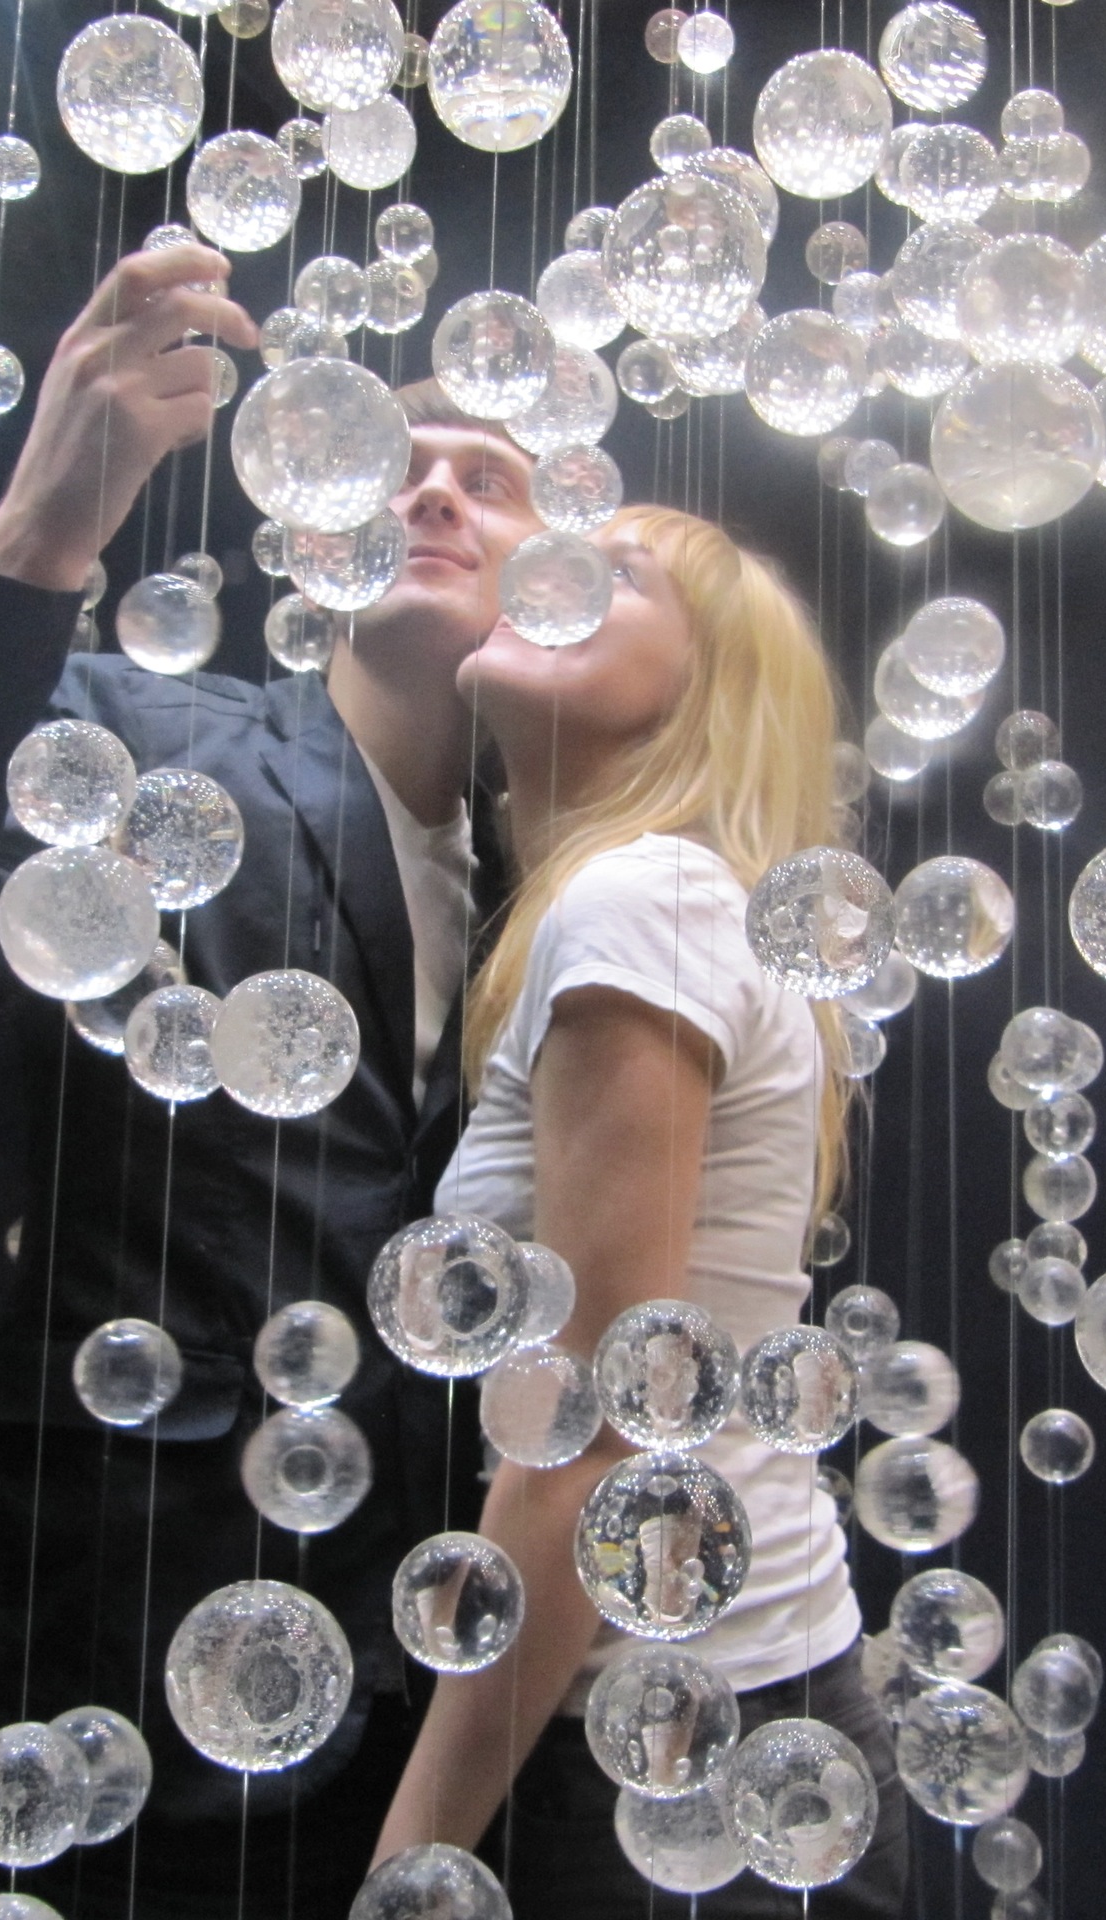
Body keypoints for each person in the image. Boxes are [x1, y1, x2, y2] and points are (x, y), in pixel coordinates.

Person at [0, 241, 545, 1916]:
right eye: (394, 463)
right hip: (103, 1666)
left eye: (493, 479)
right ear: (312, 529)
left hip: (428, 1706)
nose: (437, 493)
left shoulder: (562, 884)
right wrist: (35, 545)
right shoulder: (125, 744)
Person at [368, 507, 907, 1919]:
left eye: (617, 575)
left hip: (669, 1774)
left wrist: (409, 1869)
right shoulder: (659, 902)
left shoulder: (641, 902)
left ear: (703, 691)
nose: (545, 574)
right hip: (731, 1727)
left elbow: (596, 1436)